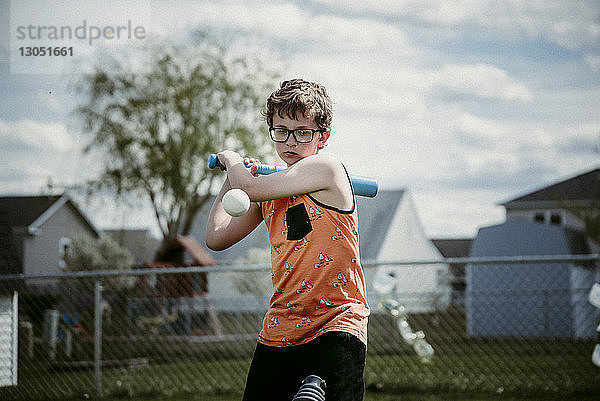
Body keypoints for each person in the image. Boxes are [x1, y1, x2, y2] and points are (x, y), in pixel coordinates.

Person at [205, 79, 370, 401]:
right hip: (280, 326)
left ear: (323, 137)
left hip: (335, 322)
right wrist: (230, 181)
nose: (290, 142)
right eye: (281, 131)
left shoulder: (327, 168)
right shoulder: (269, 192)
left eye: (302, 133)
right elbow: (216, 238)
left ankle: (313, 389)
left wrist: (232, 159)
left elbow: (250, 188)